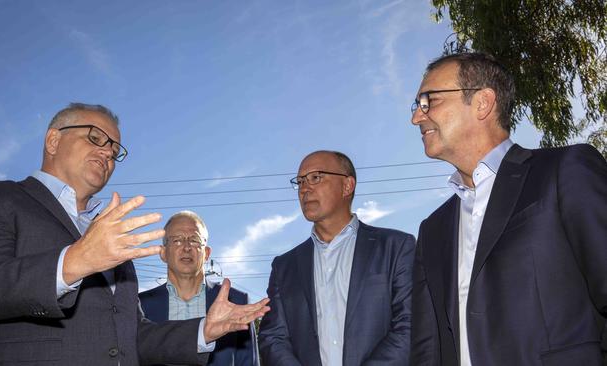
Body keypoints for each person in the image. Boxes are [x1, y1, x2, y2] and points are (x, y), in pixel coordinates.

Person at [0, 103, 269, 366]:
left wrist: (204, 331)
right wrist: (76, 260)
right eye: (95, 138)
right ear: (53, 141)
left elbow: (130, 338)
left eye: (114, 149)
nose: (107, 152)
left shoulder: (109, 237)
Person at [409, 52, 607, 366]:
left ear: (482, 103)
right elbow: (426, 348)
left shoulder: (564, 171)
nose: (417, 117)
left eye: (429, 100)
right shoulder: (432, 229)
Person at [258, 150, 415, 366]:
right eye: (300, 181)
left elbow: (410, 324)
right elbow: (273, 338)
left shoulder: (395, 247)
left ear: (347, 186)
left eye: (316, 177)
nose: (305, 188)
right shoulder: (284, 267)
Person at [140, 211, 260, 366]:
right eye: (177, 240)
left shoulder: (236, 302)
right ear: (163, 253)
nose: (186, 247)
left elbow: (247, 362)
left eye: (195, 240)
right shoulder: (139, 305)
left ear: (207, 253)